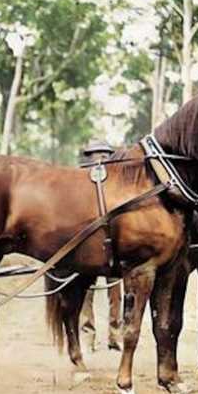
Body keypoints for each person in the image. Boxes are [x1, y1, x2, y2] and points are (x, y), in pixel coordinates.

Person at [78, 139, 123, 351]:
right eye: (96, 155)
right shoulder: (79, 188)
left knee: (116, 295)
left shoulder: (117, 187)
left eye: (105, 155)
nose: (100, 160)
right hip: (89, 251)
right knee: (85, 294)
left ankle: (115, 337)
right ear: (88, 158)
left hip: (114, 248)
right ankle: (87, 337)